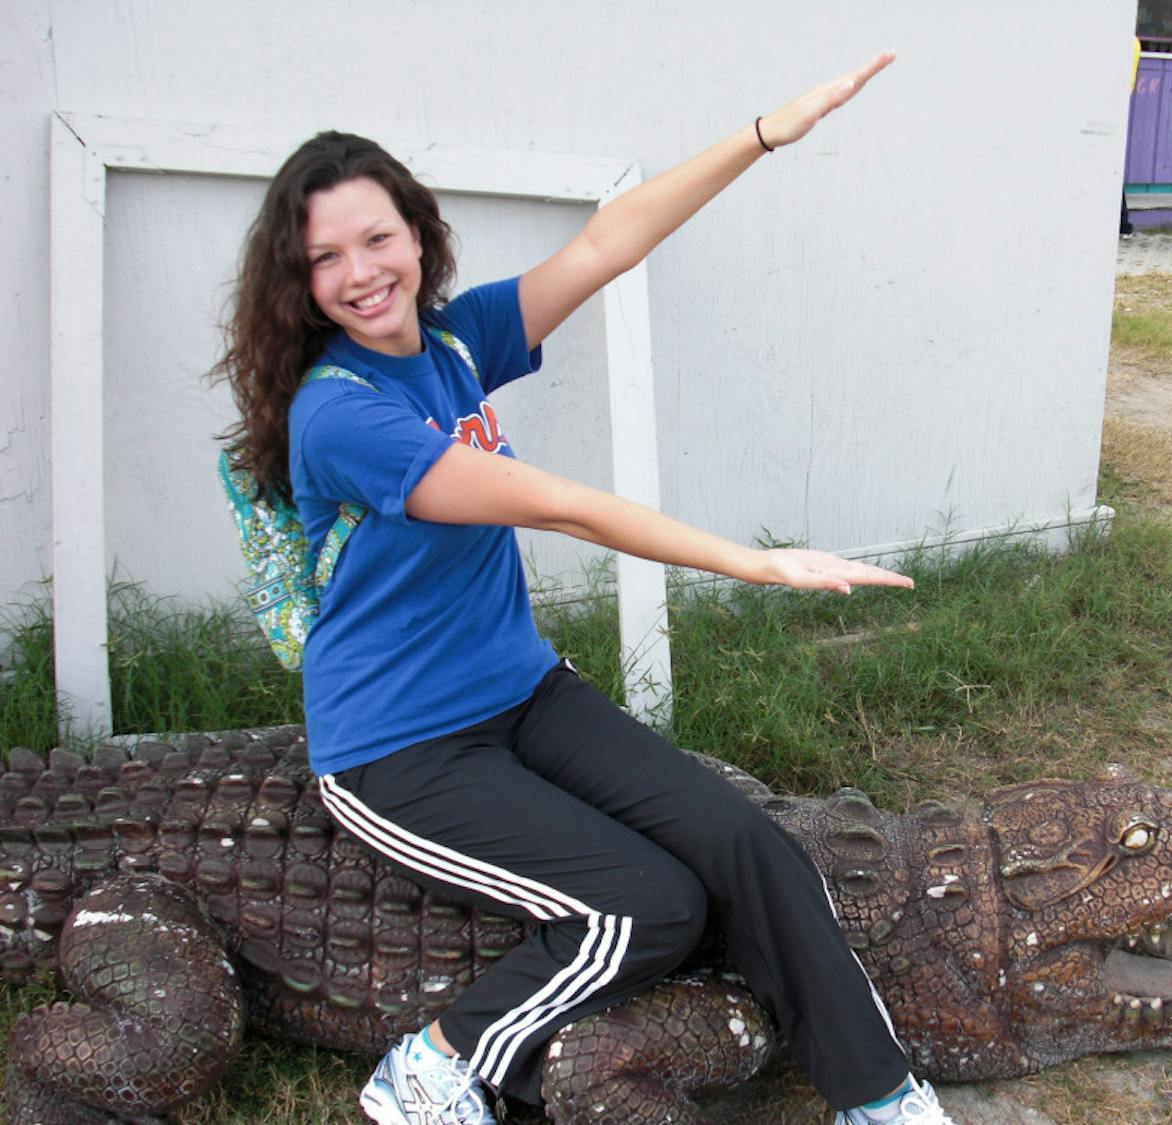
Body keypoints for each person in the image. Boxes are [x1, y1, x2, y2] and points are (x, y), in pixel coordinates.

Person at [214, 51, 955, 1125]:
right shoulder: (339, 412)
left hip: (520, 693)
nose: (361, 271)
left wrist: (761, 135)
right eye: (326, 258)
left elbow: (611, 242)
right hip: (399, 747)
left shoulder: (459, 341)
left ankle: (881, 1099)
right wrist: (757, 561)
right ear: (301, 281)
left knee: (748, 844)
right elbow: (553, 503)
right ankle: (435, 1065)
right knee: (644, 907)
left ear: (419, 233)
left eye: (378, 237)